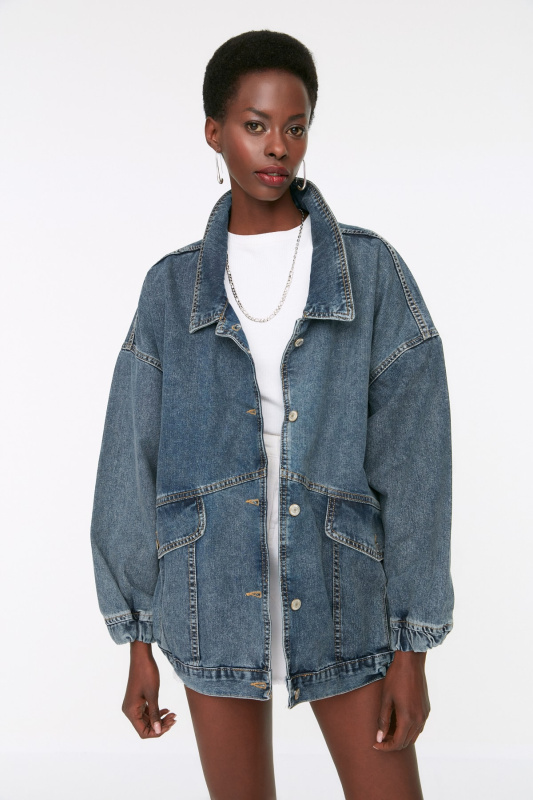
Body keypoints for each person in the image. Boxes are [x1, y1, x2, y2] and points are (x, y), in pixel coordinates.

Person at [90, 29, 454, 800]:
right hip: (208, 597)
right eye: (255, 125)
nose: (277, 146)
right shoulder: (171, 288)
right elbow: (130, 458)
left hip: (341, 594)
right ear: (214, 132)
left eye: (295, 126)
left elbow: (415, 466)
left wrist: (411, 647)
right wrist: (137, 639)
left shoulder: (369, 272)